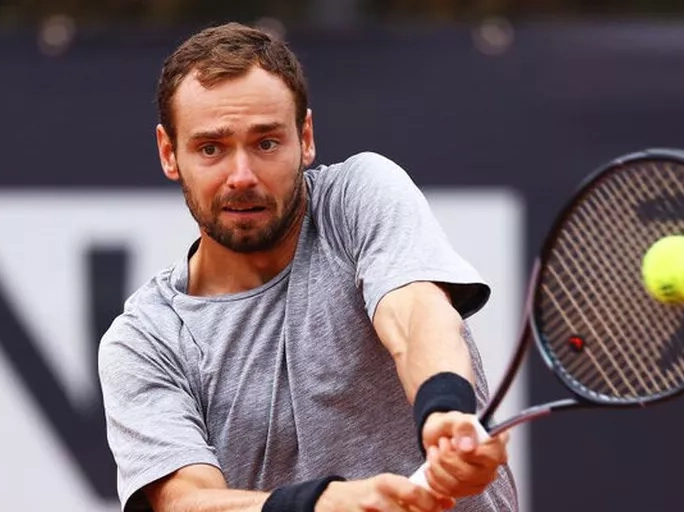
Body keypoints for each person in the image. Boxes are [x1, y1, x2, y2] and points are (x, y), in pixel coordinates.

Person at [97, 21, 519, 512]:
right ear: (170, 154)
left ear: (306, 137)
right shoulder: (145, 341)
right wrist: (322, 505)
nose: (242, 176)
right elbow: (185, 501)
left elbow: (415, 313)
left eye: (266, 143)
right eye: (211, 148)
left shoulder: (359, 195)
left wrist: (445, 410)